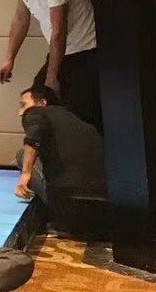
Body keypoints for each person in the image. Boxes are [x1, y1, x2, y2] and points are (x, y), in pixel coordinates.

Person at [0, 0, 101, 130]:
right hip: (64, 51)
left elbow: (59, 32)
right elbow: (20, 20)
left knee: (78, 111)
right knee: (36, 100)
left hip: (85, 51)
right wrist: (9, 58)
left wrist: (52, 78)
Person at [16, 85, 107, 232]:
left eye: (23, 105)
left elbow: (33, 137)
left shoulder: (35, 113)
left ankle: (54, 216)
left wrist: (25, 175)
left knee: (22, 155)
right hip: (101, 203)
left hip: (69, 202)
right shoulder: (74, 119)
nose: (21, 113)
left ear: (42, 103)